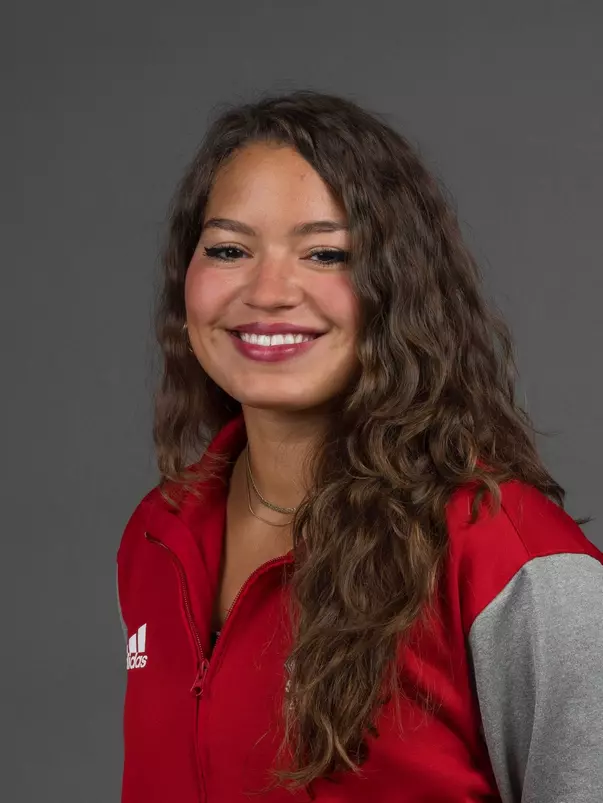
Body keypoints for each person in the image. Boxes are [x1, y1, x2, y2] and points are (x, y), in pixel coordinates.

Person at [116, 90, 603, 803]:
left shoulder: (506, 557)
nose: (269, 290)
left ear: (396, 287)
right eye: (227, 249)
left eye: (325, 253)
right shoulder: (159, 535)